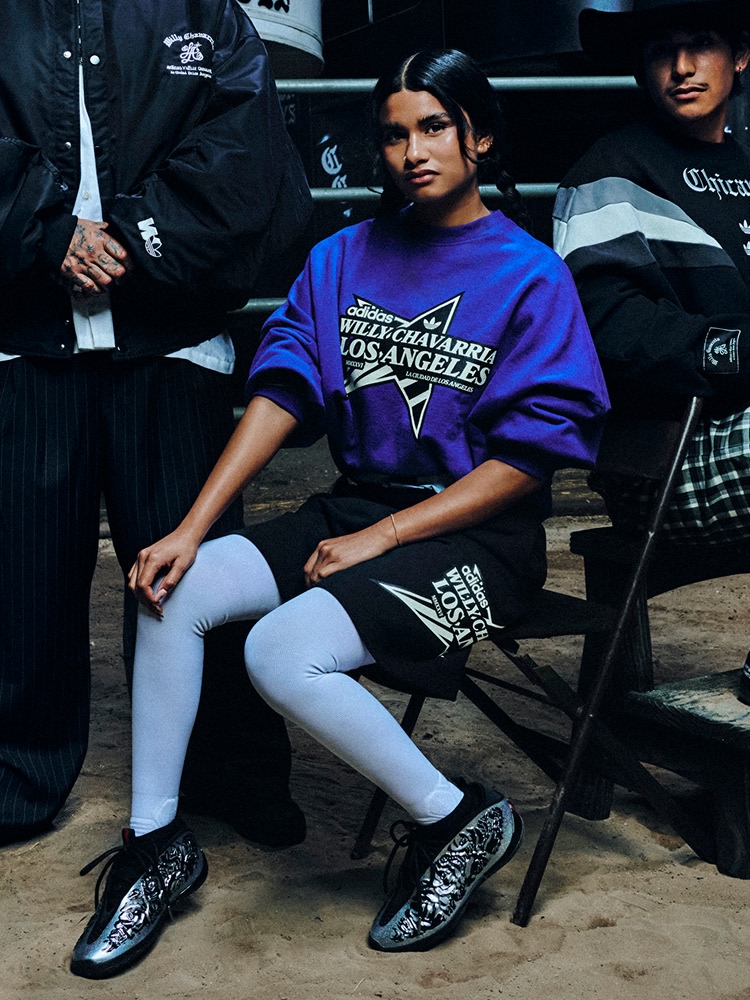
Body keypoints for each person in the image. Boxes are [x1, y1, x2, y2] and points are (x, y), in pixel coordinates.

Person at [69, 48, 609, 978]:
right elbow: (278, 395)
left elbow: (529, 460)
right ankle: (155, 845)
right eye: (395, 134)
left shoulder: (530, 276)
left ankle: (457, 818)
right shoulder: (342, 257)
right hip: (356, 508)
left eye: (435, 127)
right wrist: (194, 526)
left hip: (480, 543)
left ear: (479, 136)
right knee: (172, 587)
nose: (413, 152)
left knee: (278, 650)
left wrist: (381, 537)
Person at [0, 2, 311, 848]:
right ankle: (18, 775)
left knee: (195, 573)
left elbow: (243, 149)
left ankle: (227, 770)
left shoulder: (207, 11)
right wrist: (47, 233)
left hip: (170, 336)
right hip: (26, 337)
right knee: (22, 574)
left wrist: (129, 238)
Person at [553, 0, 750, 700]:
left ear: (741, 55)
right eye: (662, 50)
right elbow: (608, 332)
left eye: (701, 44)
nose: (683, 67)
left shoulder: (747, 166)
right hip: (660, 459)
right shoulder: (611, 171)